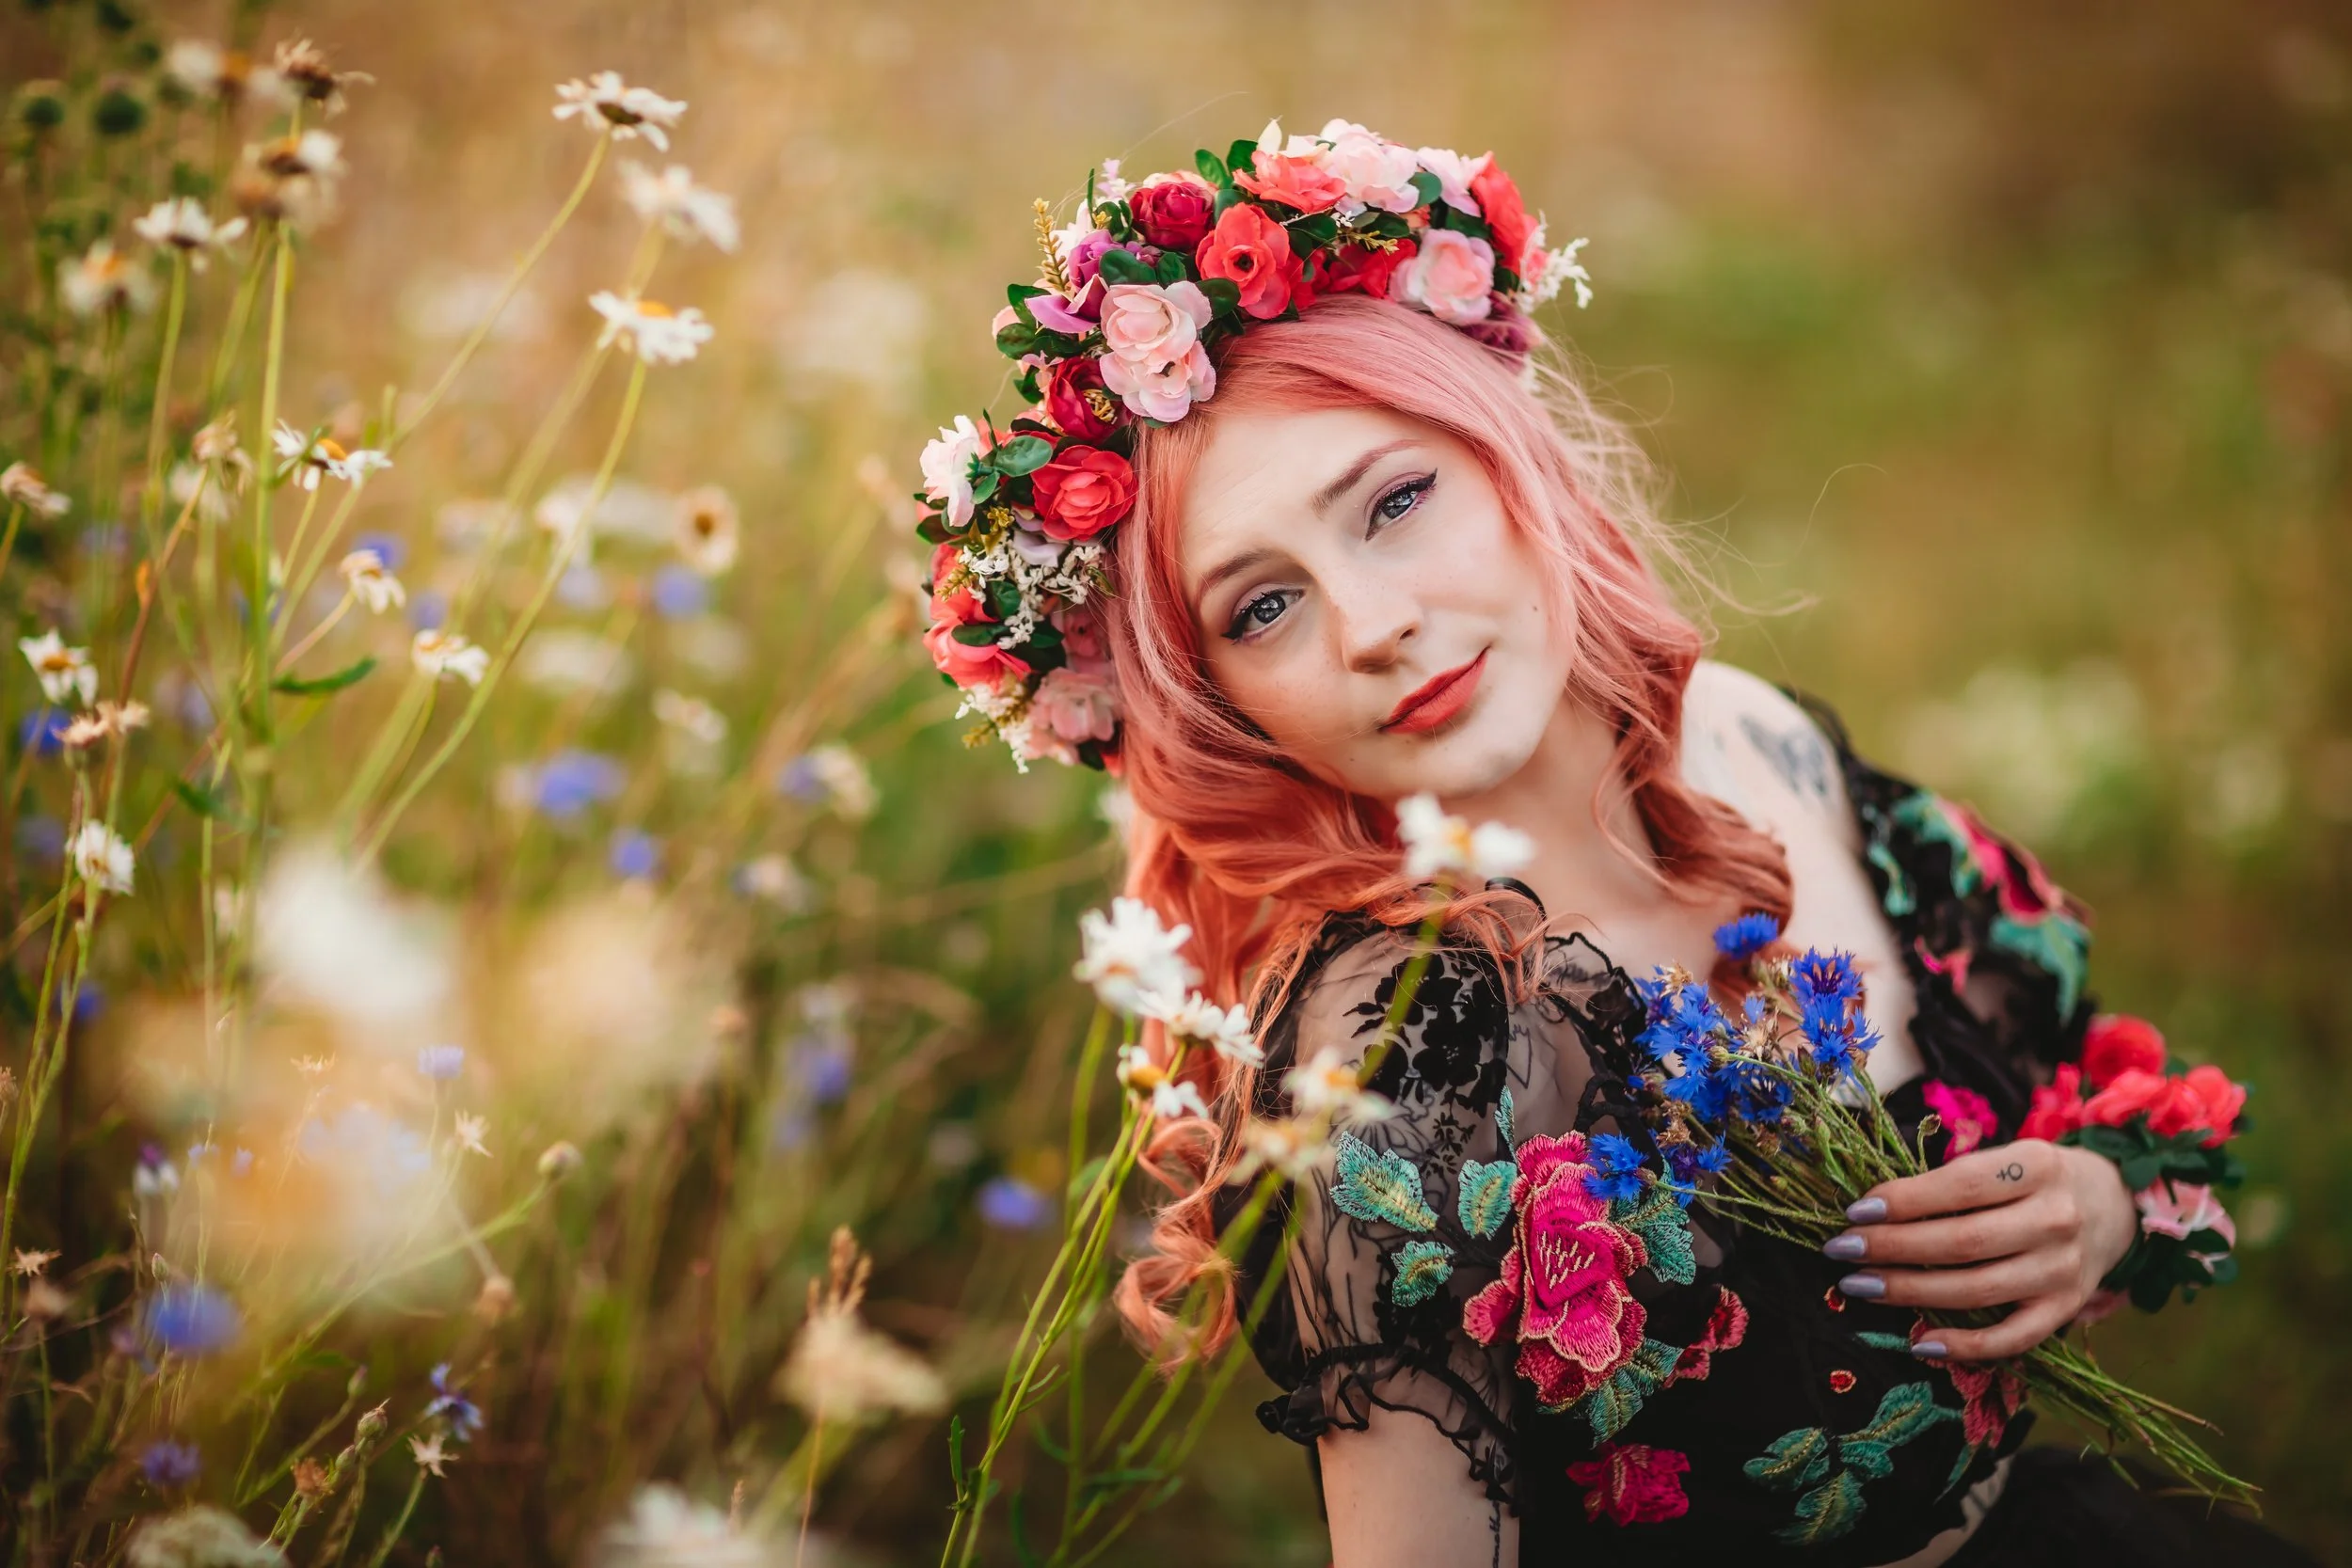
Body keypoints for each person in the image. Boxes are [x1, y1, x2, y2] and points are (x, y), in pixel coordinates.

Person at [912, 122, 2311, 1567]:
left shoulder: (1744, 732)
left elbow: (2114, 1090)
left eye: (1395, 501)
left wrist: (2094, 1204)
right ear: (1221, 703)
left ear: (1510, 454)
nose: (1371, 624)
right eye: (1263, 607)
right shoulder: (1400, 1043)